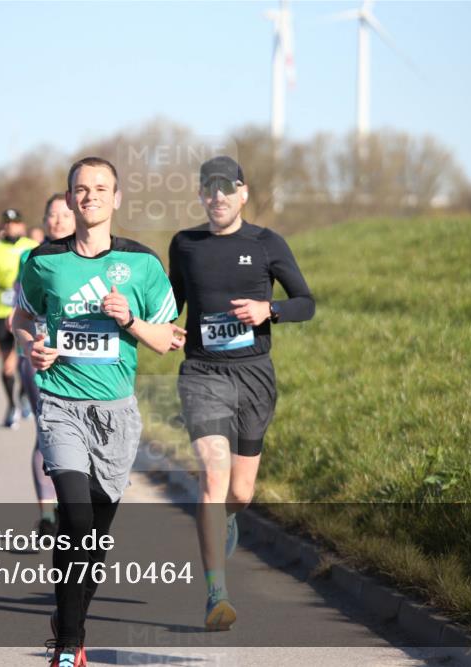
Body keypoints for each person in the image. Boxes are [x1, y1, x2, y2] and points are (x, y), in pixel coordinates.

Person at [12, 157, 185, 667]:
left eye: (100, 188)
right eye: (80, 189)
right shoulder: (44, 262)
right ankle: (68, 645)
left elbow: (168, 339)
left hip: (115, 416)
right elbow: (20, 318)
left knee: (94, 538)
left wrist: (129, 319)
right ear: (69, 199)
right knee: (75, 516)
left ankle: (69, 617)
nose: (89, 196)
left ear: (117, 198)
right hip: (61, 405)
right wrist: (32, 347)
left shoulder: (143, 264)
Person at [168, 155, 315, 630]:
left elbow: (306, 304)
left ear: (243, 193)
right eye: (209, 189)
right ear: (200, 194)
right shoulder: (185, 244)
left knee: (241, 491)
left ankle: (228, 517)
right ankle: (217, 594)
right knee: (213, 478)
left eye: (226, 188)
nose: (218, 197)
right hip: (202, 373)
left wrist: (267, 310)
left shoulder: (266, 242)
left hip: (253, 375)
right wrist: (160, 324)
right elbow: (172, 301)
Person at [9, 194, 76, 541]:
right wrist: (25, 343)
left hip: (80, 361)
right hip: (38, 357)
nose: (58, 221)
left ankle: (72, 502)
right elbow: (18, 310)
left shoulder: (88, 257)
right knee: (47, 431)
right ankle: (48, 514)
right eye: (51, 215)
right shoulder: (29, 256)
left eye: (64, 214)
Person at [0, 209, 39, 426]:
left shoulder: (31, 246)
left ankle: (24, 396)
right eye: (7, 223)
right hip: (1, 310)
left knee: (24, 360)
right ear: (3, 226)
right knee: (7, 363)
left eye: (16, 223)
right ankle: (12, 405)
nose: (11, 227)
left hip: (26, 311)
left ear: (22, 225)